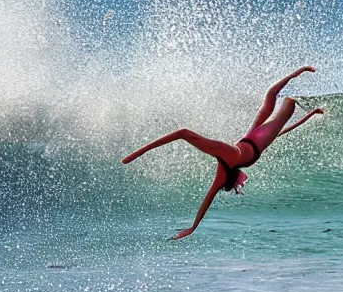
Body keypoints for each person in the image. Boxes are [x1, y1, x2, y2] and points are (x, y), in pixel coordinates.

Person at [122, 66, 324, 240]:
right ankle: (298, 75)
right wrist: (136, 154)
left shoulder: (224, 171)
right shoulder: (228, 157)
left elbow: (207, 200)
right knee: (283, 99)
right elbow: (182, 133)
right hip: (251, 141)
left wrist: (193, 227)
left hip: (252, 138)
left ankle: (299, 77)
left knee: (271, 97)